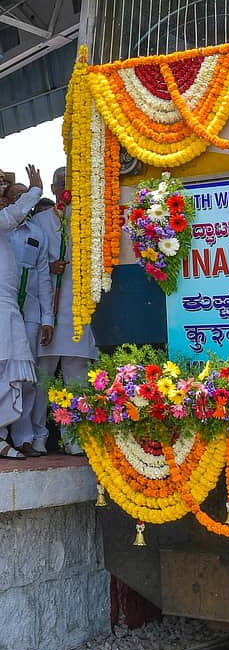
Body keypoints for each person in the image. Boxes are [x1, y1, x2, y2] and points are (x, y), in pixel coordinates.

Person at [34, 167, 98, 453]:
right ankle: (37, 437)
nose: (65, 188)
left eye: (70, 183)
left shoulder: (85, 220)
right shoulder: (39, 221)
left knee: (77, 375)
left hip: (77, 308)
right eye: (61, 183)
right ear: (52, 187)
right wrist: (48, 267)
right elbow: (28, 264)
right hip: (46, 308)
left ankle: (74, 439)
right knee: (41, 379)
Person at [6, 182, 54, 456]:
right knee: (4, 373)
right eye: (14, 197)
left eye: (24, 197)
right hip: (4, 309)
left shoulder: (37, 232)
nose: (19, 201)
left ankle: (24, 438)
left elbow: (44, 276)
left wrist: (47, 317)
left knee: (29, 376)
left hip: (31, 313)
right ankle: (2, 436)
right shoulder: (3, 229)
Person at [0, 164, 43, 459]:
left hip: (8, 305)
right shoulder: (5, 218)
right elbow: (13, 215)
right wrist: (36, 190)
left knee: (8, 368)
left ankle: (2, 435)